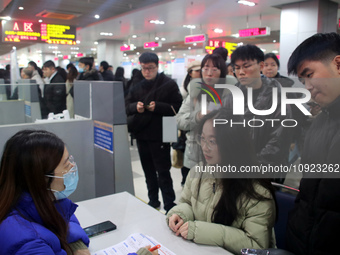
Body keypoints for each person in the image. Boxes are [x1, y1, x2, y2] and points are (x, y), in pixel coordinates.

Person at [167, 109, 277, 254]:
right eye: (203, 139)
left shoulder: (256, 190)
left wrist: (201, 231)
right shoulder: (198, 172)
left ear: (232, 143)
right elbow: (187, 202)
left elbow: (256, 245)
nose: (205, 147)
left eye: (212, 141)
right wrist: (180, 214)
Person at [285, 32, 340, 255]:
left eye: (309, 75)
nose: (307, 86)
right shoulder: (317, 125)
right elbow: (307, 191)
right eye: (302, 80)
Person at [0, 130, 90, 254]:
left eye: (70, 159)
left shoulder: (34, 200)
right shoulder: (30, 244)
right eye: (66, 164)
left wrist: (75, 244)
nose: (72, 166)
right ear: (42, 177)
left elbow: (63, 217)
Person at [125, 52, 182, 212]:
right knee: (148, 170)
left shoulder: (168, 84)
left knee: (163, 171)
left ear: (157, 66)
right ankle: (153, 200)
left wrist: (158, 106)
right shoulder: (137, 84)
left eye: (150, 68)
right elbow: (126, 105)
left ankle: (170, 203)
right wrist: (135, 107)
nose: (147, 72)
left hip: (163, 132)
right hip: (142, 133)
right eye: (144, 68)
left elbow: (178, 107)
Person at [228, 45, 293, 181]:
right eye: (237, 67)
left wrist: (254, 166)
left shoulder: (276, 94)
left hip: (266, 171)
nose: (241, 72)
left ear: (261, 65)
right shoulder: (234, 93)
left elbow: (279, 138)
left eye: (246, 66)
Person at [176, 60, 201, 186]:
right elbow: (175, 114)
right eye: (197, 71)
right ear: (190, 73)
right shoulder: (184, 89)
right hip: (180, 125)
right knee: (178, 150)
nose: (200, 73)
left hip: (191, 131)